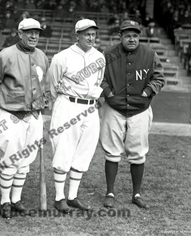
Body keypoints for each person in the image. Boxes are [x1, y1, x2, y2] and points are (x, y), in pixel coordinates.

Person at [0, 18, 49, 219]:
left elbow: (43, 86)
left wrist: (41, 111)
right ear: (20, 33)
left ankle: (16, 200)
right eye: (29, 32)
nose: (34, 35)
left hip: (34, 116)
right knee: (10, 159)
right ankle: (4, 201)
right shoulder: (4, 55)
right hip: (10, 115)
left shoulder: (42, 56)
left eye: (37, 32)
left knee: (26, 161)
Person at [100, 20, 165, 209]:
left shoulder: (150, 54)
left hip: (140, 109)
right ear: (120, 36)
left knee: (138, 152)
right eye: (127, 35)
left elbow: (159, 77)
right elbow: (99, 77)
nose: (131, 39)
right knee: (112, 151)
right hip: (114, 107)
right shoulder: (108, 53)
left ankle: (136, 193)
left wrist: (147, 92)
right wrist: (108, 93)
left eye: (135, 35)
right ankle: (110, 192)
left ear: (139, 36)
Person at [47, 19, 105, 213]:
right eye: (86, 33)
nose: (90, 37)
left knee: (84, 151)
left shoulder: (100, 58)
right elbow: (52, 84)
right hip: (68, 105)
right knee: (63, 149)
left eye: (93, 34)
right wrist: (60, 104)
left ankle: (72, 196)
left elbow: (98, 83)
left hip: (90, 108)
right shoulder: (62, 57)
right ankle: (59, 197)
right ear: (77, 35)